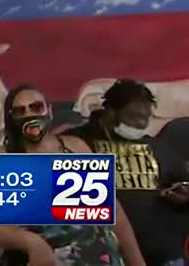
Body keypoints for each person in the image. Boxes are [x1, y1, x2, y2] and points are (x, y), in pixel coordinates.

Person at [0, 84, 144, 266]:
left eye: (36, 107)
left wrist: (137, 262)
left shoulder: (76, 148)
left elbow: (113, 211)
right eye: (20, 111)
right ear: (11, 118)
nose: (30, 115)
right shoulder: (1, 158)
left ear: (49, 111)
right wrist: (29, 242)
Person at [63, 79, 189, 266]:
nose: (141, 123)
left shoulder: (154, 146)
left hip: (163, 253)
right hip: (106, 254)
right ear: (110, 111)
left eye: (146, 117)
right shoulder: (77, 143)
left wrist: (184, 194)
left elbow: (182, 179)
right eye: (134, 116)